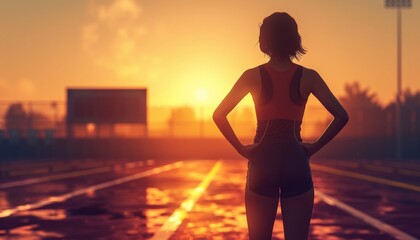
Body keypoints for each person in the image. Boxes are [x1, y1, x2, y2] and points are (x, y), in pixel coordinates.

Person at [213, 12, 349, 240]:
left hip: (262, 161)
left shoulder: (251, 76)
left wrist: (241, 148)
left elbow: (219, 115)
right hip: (296, 160)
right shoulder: (309, 77)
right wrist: (313, 147)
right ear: (294, 39)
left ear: (264, 40)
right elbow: (341, 116)